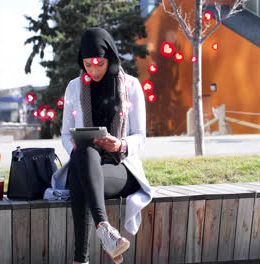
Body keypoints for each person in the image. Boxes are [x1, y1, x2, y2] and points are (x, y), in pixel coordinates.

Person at [60, 27, 152, 264]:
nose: (93, 70)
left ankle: (81, 260)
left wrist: (120, 144)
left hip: (120, 167)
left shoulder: (131, 86)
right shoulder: (74, 87)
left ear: (109, 57)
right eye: (87, 65)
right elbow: (64, 135)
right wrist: (78, 148)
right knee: (83, 150)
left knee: (82, 175)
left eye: (99, 64)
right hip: (87, 162)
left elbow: (141, 136)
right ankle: (105, 230)